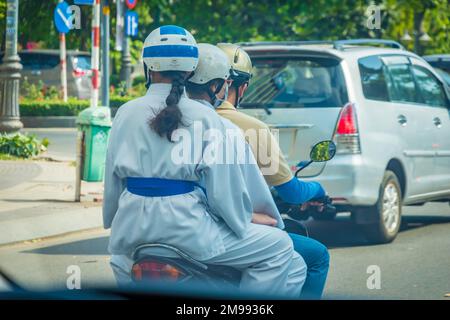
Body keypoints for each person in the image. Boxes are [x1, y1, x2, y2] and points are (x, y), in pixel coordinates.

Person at [102, 25, 306, 298]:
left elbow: (112, 183)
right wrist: (245, 218)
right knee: (280, 246)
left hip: (129, 233)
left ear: (147, 67)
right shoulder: (207, 118)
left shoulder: (125, 113)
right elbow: (225, 194)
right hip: (190, 234)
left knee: (120, 262)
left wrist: (112, 220)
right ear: (191, 71)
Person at [216, 43, 330, 299]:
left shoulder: (173, 121)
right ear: (241, 87)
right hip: (228, 230)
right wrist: (318, 189)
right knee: (316, 256)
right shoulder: (250, 128)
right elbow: (292, 191)